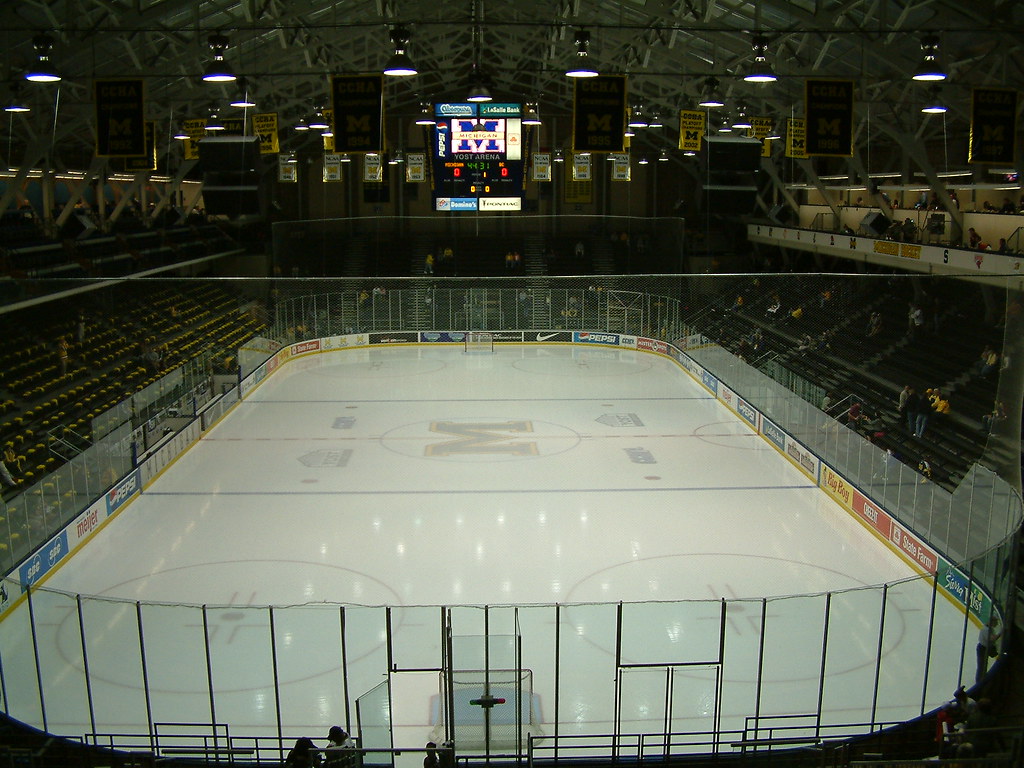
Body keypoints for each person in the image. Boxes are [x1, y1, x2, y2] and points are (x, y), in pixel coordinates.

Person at [976, 614, 1001, 683]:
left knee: (983, 664)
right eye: (996, 622)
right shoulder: (986, 630)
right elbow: (992, 639)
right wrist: (1000, 633)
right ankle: (979, 681)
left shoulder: (988, 628)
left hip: (985, 648)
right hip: (982, 648)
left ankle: (982, 677)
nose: (996, 624)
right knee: (981, 665)